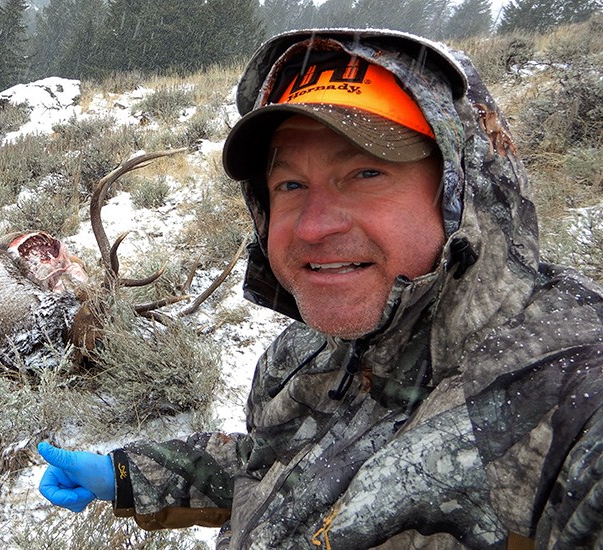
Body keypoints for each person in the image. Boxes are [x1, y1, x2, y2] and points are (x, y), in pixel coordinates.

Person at [37, 28, 603, 549]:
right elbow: (268, 468)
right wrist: (128, 475)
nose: (312, 226)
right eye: (290, 183)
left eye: (365, 173)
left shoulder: (570, 396)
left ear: (461, 187)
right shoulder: (301, 357)